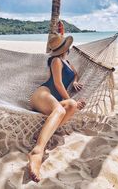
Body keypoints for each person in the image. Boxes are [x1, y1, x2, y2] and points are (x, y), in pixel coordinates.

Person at [27, 33, 86, 182]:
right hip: (42, 94)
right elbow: (58, 84)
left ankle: (43, 135)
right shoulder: (56, 61)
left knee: (72, 106)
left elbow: (76, 74)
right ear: (66, 48)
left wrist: (74, 82)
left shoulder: (67, 62)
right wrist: (69, 97)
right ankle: (38, 151)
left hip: (54, 101)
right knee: (63, 108)